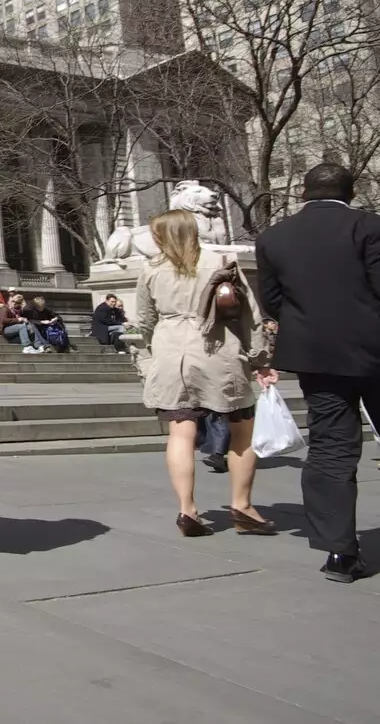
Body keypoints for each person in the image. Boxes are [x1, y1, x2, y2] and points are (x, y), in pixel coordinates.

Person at [256, 163, 380, 582]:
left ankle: (340, 552)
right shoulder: (375, 228)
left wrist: (310, 325)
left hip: (316, 357)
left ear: (303, 192)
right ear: (352, 192)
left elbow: (272, 300)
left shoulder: (274, 237)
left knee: (330, 447)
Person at [137, 209, 276, 539]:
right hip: (218, 351)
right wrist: (261, 359)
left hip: (172, 354)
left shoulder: (151, 270)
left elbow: (144, 319)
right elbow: (249, 316)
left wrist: (153, 351)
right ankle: (242, 506)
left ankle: (187, 509)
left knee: (181, 434)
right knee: (241, 430)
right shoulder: (221, 264)